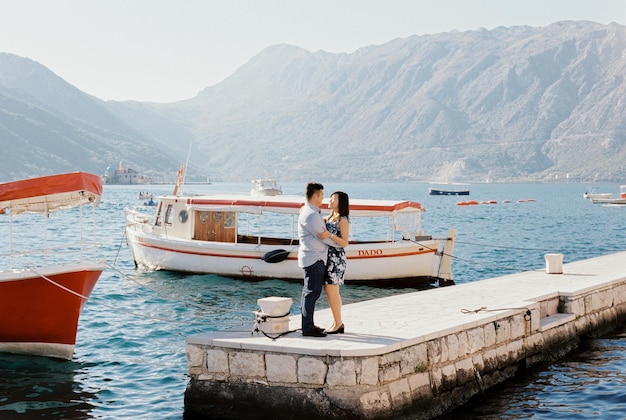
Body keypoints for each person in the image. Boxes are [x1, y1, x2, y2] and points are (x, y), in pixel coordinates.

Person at [298, 182, 337, 337]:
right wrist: (339, 243)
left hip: (313, 257)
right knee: (311, 293)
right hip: (314, 258)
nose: (322, 198)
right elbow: (322, 235)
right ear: (315, 195)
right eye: (321, 195)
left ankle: (308, 325)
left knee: (310, 293)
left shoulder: (310, 211)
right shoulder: (312, 214)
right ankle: (307, 328)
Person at [318, 191, 349, 334]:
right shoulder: (329, 217)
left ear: (340, 202)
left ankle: (338, 324)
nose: (330, 200)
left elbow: (344, 242)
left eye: (334, 198)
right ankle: (337, 322)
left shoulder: (343, 220)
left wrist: (330, 235)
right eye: (330, 197)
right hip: (328, 257)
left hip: (336, 258)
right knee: (329, 291)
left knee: (332, 291)